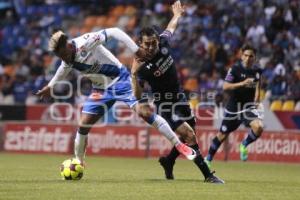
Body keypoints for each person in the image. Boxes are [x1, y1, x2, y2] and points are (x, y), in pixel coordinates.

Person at [36, 27, 198, 165]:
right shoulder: (67, 57)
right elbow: (63, 69)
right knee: (83, 124)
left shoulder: (86, 41)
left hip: (120, 80)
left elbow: (114, 31)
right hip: (100, 89)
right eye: (60, 57)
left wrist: (136, 50)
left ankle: (178, 145)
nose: (63, 58)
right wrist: (50, 86)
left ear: (68, 45)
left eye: (64, 54)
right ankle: (78, 162)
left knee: (145, 112)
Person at [131, 1, 224, 183]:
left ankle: (169, 161)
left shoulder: (164, 43)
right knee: (189, 135)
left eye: (153, 43)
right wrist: (133, 75)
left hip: (180, 97)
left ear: (158, 40)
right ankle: (208, 175)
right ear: (140, 44)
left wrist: (177, 15)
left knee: (190, 132)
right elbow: (137, 96)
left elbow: (170, 27)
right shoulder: (141, 67)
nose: (151, 47)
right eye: (147, 44)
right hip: (165, 104)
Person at [204, 44, 264, 168]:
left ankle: (244, 144)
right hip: (234, 108)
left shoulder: (257, 71)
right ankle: (208, 159)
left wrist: (257, 101)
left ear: (255, 58)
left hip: (248, 107)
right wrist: (242, 83)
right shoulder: (235, 69)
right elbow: (225, 86)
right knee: (222, 135)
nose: (248, 58)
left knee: (258, 127)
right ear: (242, 56)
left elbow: (258, 86)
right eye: (246, 55)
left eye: (251, 56)